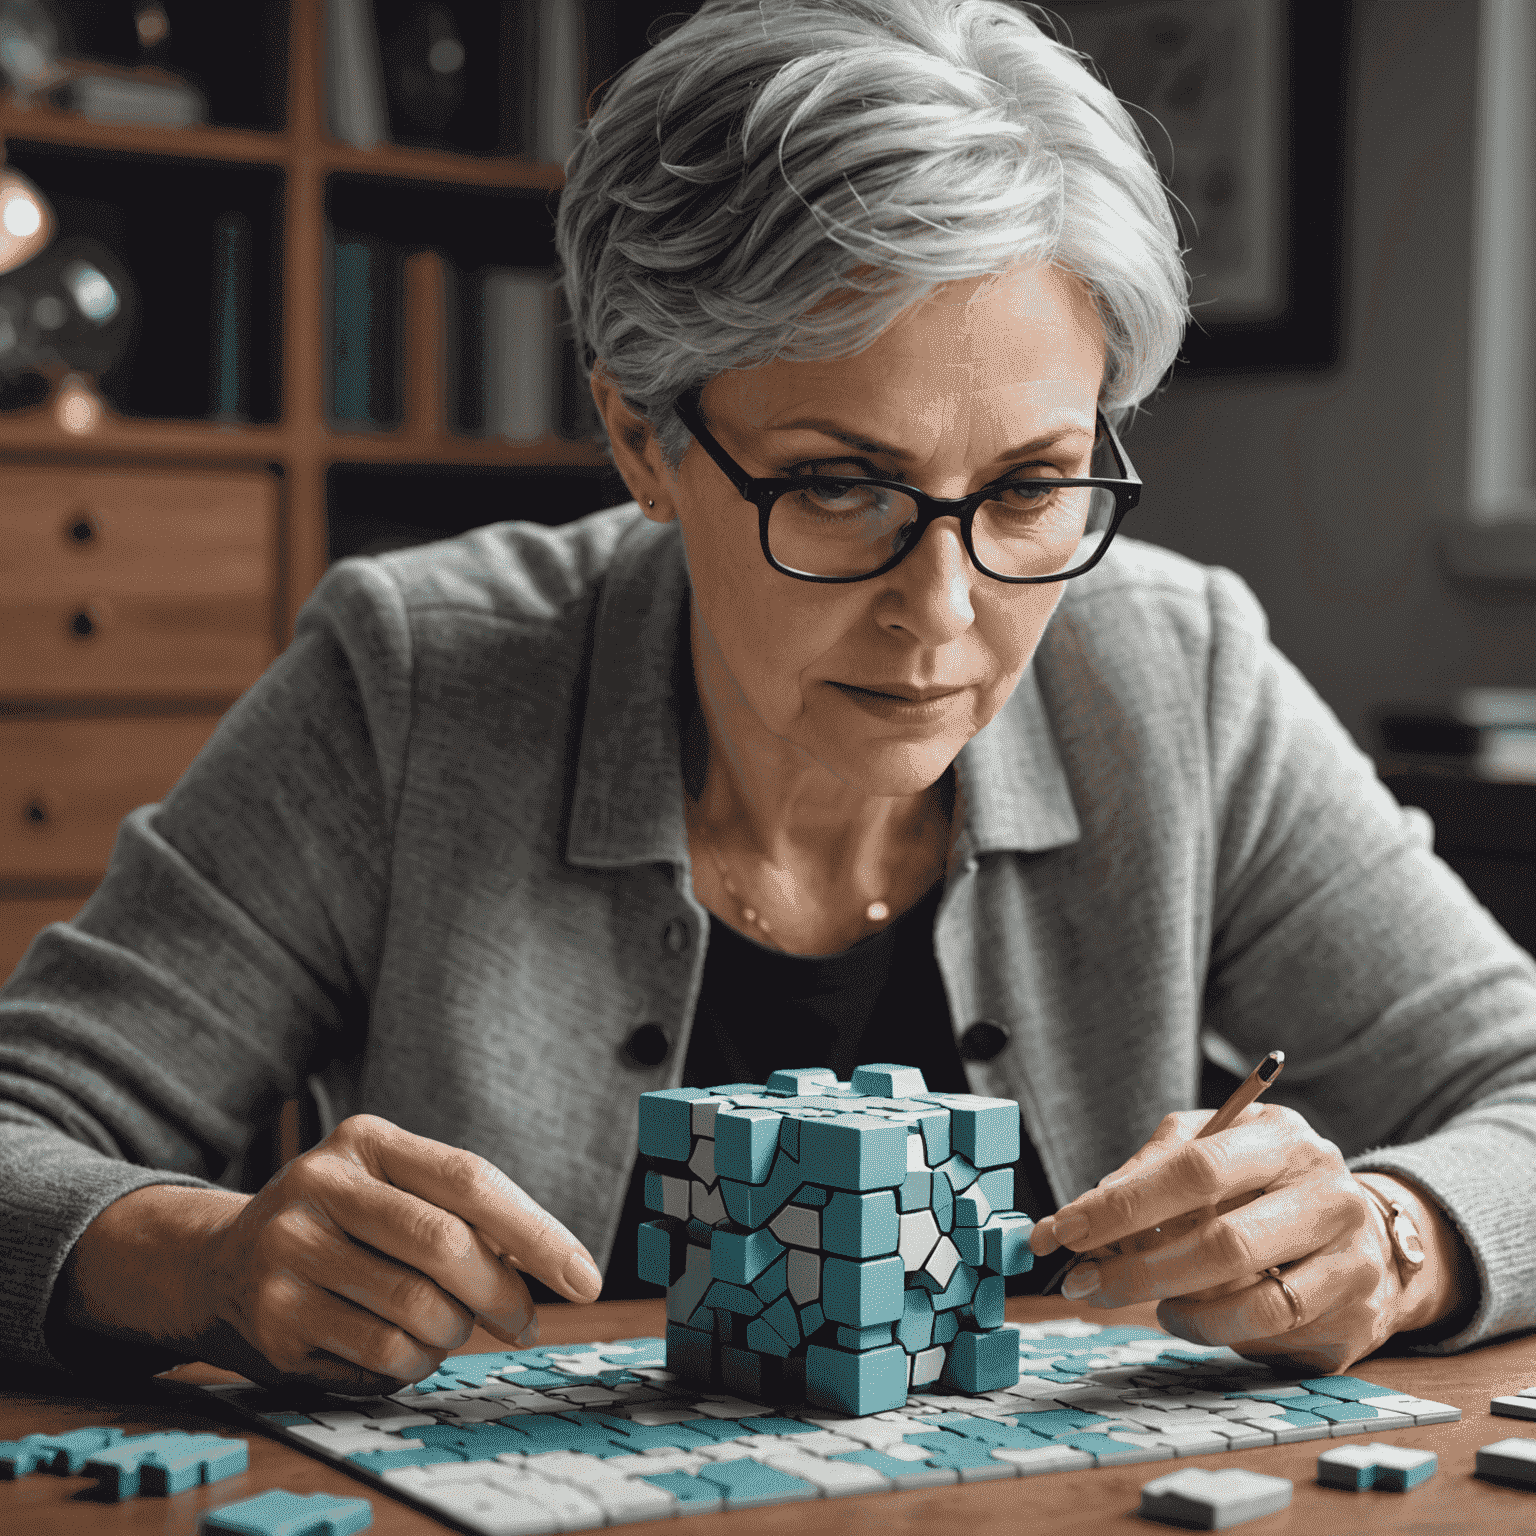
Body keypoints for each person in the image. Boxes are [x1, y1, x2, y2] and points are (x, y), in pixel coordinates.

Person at [2, 0, 1534, 1399]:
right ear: (644, 440)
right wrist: (198, 1260)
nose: (945, 613)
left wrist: (1395, 1237)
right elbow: (24, 1127)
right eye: (838, 487)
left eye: (1031, 489)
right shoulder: (409, 681)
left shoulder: (1180, 673)